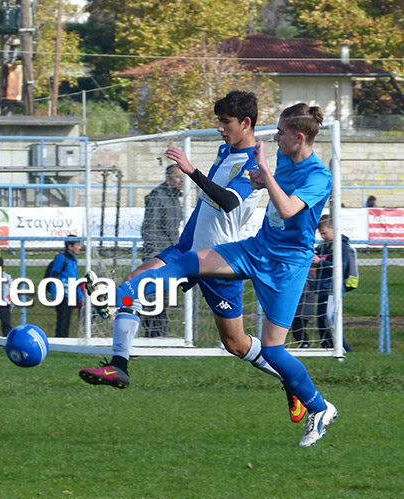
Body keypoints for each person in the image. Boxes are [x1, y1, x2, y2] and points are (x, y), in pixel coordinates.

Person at [87, 103, 337, 447]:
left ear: (298, 137)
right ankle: (118, 299)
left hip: (287, 266)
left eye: (280, 132)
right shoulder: (283, 159)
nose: (275, 136)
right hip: (256, 248)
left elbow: (289, 208)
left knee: (274, 351)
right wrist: (263, 180)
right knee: (190, 261)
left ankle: (319, 408)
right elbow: (271, 194)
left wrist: (264, 170)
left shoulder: (318, 175)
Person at [139, 163, 184, 337]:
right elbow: (149, 229)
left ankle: (160, 334)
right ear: (168, 178)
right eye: (178, 176)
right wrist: (156, 257)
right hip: (157, 256)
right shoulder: (157, 197)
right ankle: (152, 335)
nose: (182, 181)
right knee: (152, 296)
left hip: (170, 256)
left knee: (164, 297)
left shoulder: (175, 199)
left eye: (184, 177)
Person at [312, 214, 353, 352]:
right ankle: (327, 348)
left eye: (324, 233)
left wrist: (320, 262)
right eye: (321, 233)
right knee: (321, 320)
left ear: (334, 229)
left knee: (330, 319)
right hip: (322, 288)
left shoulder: (340, 245)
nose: (322, 236)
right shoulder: (324, 246)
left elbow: (341, 266)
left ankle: (343, 349)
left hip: (332, 288)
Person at [48, 239, 84, 338]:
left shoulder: (74, 260)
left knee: (67, 320)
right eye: (77, 245)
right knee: (62, 320)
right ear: (70, 246)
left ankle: (65, 340)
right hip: (62, 294)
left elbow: (75, 278)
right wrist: (55, 295)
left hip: (71, 294)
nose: (80, 247)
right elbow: (53, 276)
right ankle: (59, 341)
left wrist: (80, 296)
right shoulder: (61, 258)